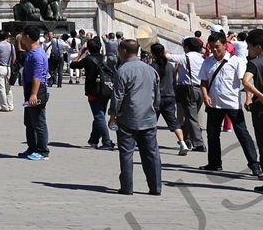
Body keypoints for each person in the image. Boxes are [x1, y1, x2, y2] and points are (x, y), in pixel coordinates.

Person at [198, 32, 258, 175]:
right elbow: (203, 82)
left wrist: (248, 98)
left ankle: (255, 164)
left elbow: (246, 82)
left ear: (225, 45)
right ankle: (214, 163)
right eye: (211, 47)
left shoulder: (236, 61)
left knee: (243, 134)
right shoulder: (207, 62)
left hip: (232, 104)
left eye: (217, 46)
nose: (214, 49)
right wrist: (205, 96)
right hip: (214, 104)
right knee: (212, 135)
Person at [108, 40, 162, 195]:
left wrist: (113, 116)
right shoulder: (150, 70)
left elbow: (117, 97)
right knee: (152, 153)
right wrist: (154, 111)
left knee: (126, 153)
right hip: (148, 117)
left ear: (124, 51)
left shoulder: (123, 70)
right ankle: (156, 187)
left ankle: (127, 187)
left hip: (128, 118)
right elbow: (157, 97)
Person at [242, 29, 263, 193]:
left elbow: (246, 81)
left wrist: (260, 96)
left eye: (249, 46)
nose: (248, 50)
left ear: (258, 46)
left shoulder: (255, 63)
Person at [147, 42, 188, 158]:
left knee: (151, 121)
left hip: (156, 97)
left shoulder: (152, 67)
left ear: (153, 53)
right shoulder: (170, 66)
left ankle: (150, 144)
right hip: (170, 96)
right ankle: (182, 142)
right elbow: (174, 82)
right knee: (173, 121)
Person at [16, 24, 51, 160]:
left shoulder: (37, 55)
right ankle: (32, 147)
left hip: (37, 90)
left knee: (39, 122)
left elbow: (38, 76)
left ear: (27, 37)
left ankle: (43, 150)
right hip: (30, 89)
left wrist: (33, 94)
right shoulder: (32, 52)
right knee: (29, 122)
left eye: (22, 35)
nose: (21, 37)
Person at [72, 37, 114, 150]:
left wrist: (81, 53)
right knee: (99, 116)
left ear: (88, 49)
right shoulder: (105, 59)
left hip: (93, 91)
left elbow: (73, 65)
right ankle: (94, 140)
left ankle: (107, 142)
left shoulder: (88, 59)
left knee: (99, 117)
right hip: (106, 90)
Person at [173, 36, 206, 152]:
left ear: (186, 47)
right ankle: (187, 140)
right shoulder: (202, 58)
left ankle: (199, 143)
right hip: (200, 89)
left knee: (191, 118)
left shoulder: (184, 57)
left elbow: (168, 57)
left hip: (188, 89)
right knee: (190, 116)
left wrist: (164, 52)